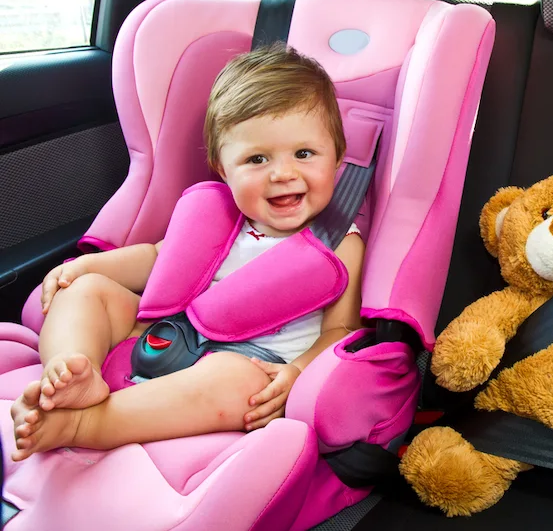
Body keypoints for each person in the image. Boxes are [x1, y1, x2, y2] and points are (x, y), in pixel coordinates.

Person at [9, 43, 364, 462]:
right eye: (257, 159)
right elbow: (159, 260)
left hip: (251, 360)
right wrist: (89, 265)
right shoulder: (219, 215)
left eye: (304, 154)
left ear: (337, 159)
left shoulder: (340, 242)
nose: (283, 173)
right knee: (86, 289)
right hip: (168, 331)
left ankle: (86, 423)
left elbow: (340, 332)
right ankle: (71, 372)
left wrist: (298, 371)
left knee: (236, 383)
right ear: (221, 166)